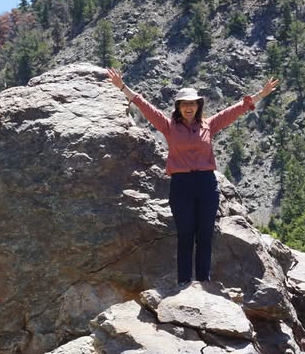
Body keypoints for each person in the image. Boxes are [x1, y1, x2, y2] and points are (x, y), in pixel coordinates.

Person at [107, 68, 279, 286]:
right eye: (184, 104)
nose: (189, 107)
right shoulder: (169, 126)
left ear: (199, 106)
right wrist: (122, 86)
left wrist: (260, 94)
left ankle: (204, 281)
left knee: (205, 235)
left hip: (206, 184)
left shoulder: (209, 125)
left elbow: (234, 110)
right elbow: (144, 106)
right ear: (178, 107)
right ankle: (184, 282)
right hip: (181, 185)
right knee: (186, 235)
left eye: (193, 103)